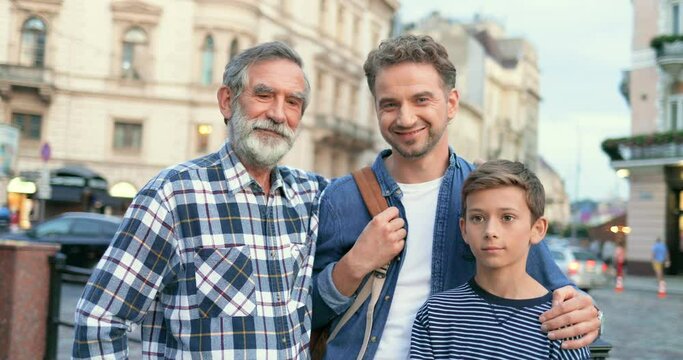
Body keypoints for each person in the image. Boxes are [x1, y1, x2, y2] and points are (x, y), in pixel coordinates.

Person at [311, 35, 601, 360]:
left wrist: (589, 313)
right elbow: (303, 316)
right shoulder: (340, 197)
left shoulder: (484, 198)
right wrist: (353, 266)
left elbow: (559, 292)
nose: (405, 118)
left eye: (422, 100)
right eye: (390, 104)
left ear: (451, 104)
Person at [72, 42, 327, 359]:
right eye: (264, 95)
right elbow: (101, 320)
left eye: (292, 102)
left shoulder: (311, 195)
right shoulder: (174, 194)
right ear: (227, 101)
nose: (277, 114)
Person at [410, 160, 591, 359]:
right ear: (464, 229)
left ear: (537, 229)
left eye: (507, 218)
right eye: (478, 218)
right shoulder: (436, 314)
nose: (490, 232)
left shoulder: (560, 322)